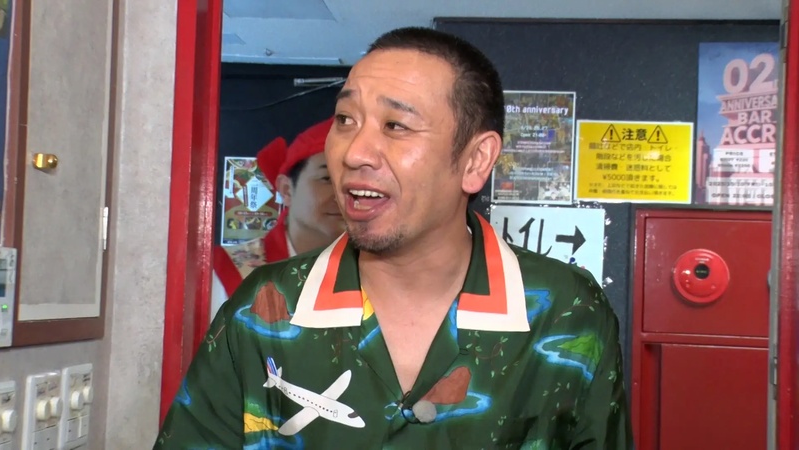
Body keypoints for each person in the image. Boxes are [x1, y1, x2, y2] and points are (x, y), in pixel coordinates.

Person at [156, 27, 632, 449]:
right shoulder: (261, 307)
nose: (354, 152)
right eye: (345, 120)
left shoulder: (567, 310)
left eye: (396, 126)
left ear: (475, 160)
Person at [210, 117, 345, 318]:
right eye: (327, 179)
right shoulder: (227, 274)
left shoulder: (381, 274)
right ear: (287, 189)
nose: (345, 194)